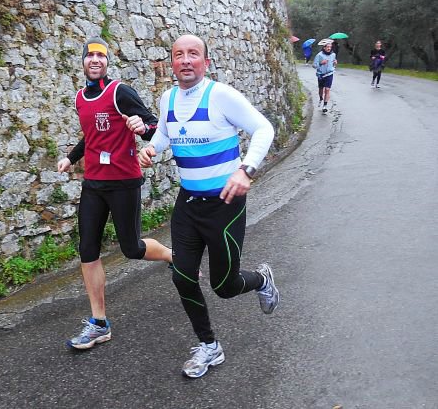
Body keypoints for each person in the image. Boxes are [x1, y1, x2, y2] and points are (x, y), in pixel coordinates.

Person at [137, 34, 279, 379]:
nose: (185, 60)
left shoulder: (221, 96)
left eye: (193, 54)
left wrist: (246, 170)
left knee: (224, 286)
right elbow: (165, 133)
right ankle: (209, 346)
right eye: (179, 55)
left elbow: (264, 128)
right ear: (171, 63)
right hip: (188, 204)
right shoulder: (168, 98)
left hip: (225, 206)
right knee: (182, 276)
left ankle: (261, 280)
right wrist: (151, 149)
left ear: (206, 62)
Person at [58, 36, 172, 351]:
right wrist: (71, 158)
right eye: (90, 56)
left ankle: (172, 256)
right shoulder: (80, 98)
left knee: (132, 248)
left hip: (123, 181)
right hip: (93, 183)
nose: (95, 60)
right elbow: (90, 135)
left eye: (101, 56)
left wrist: (142, 128)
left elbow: (154, 126)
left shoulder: (120, 92)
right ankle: (99, 323)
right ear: (83, 61)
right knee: (87, 249)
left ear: (107, 62)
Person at [313, 42, 337, 114]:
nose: (329, 48)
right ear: (324, 47)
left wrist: (335, 63)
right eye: (328, 47)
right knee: (321, 89)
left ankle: (325, 106)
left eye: (330, 47)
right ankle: (321, 98)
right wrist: (321, 63)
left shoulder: (333, 54)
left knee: (327, 89)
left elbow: (333, 64)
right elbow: (314, 65)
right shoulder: (319, 55)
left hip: (329, 74)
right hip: (321, 75)